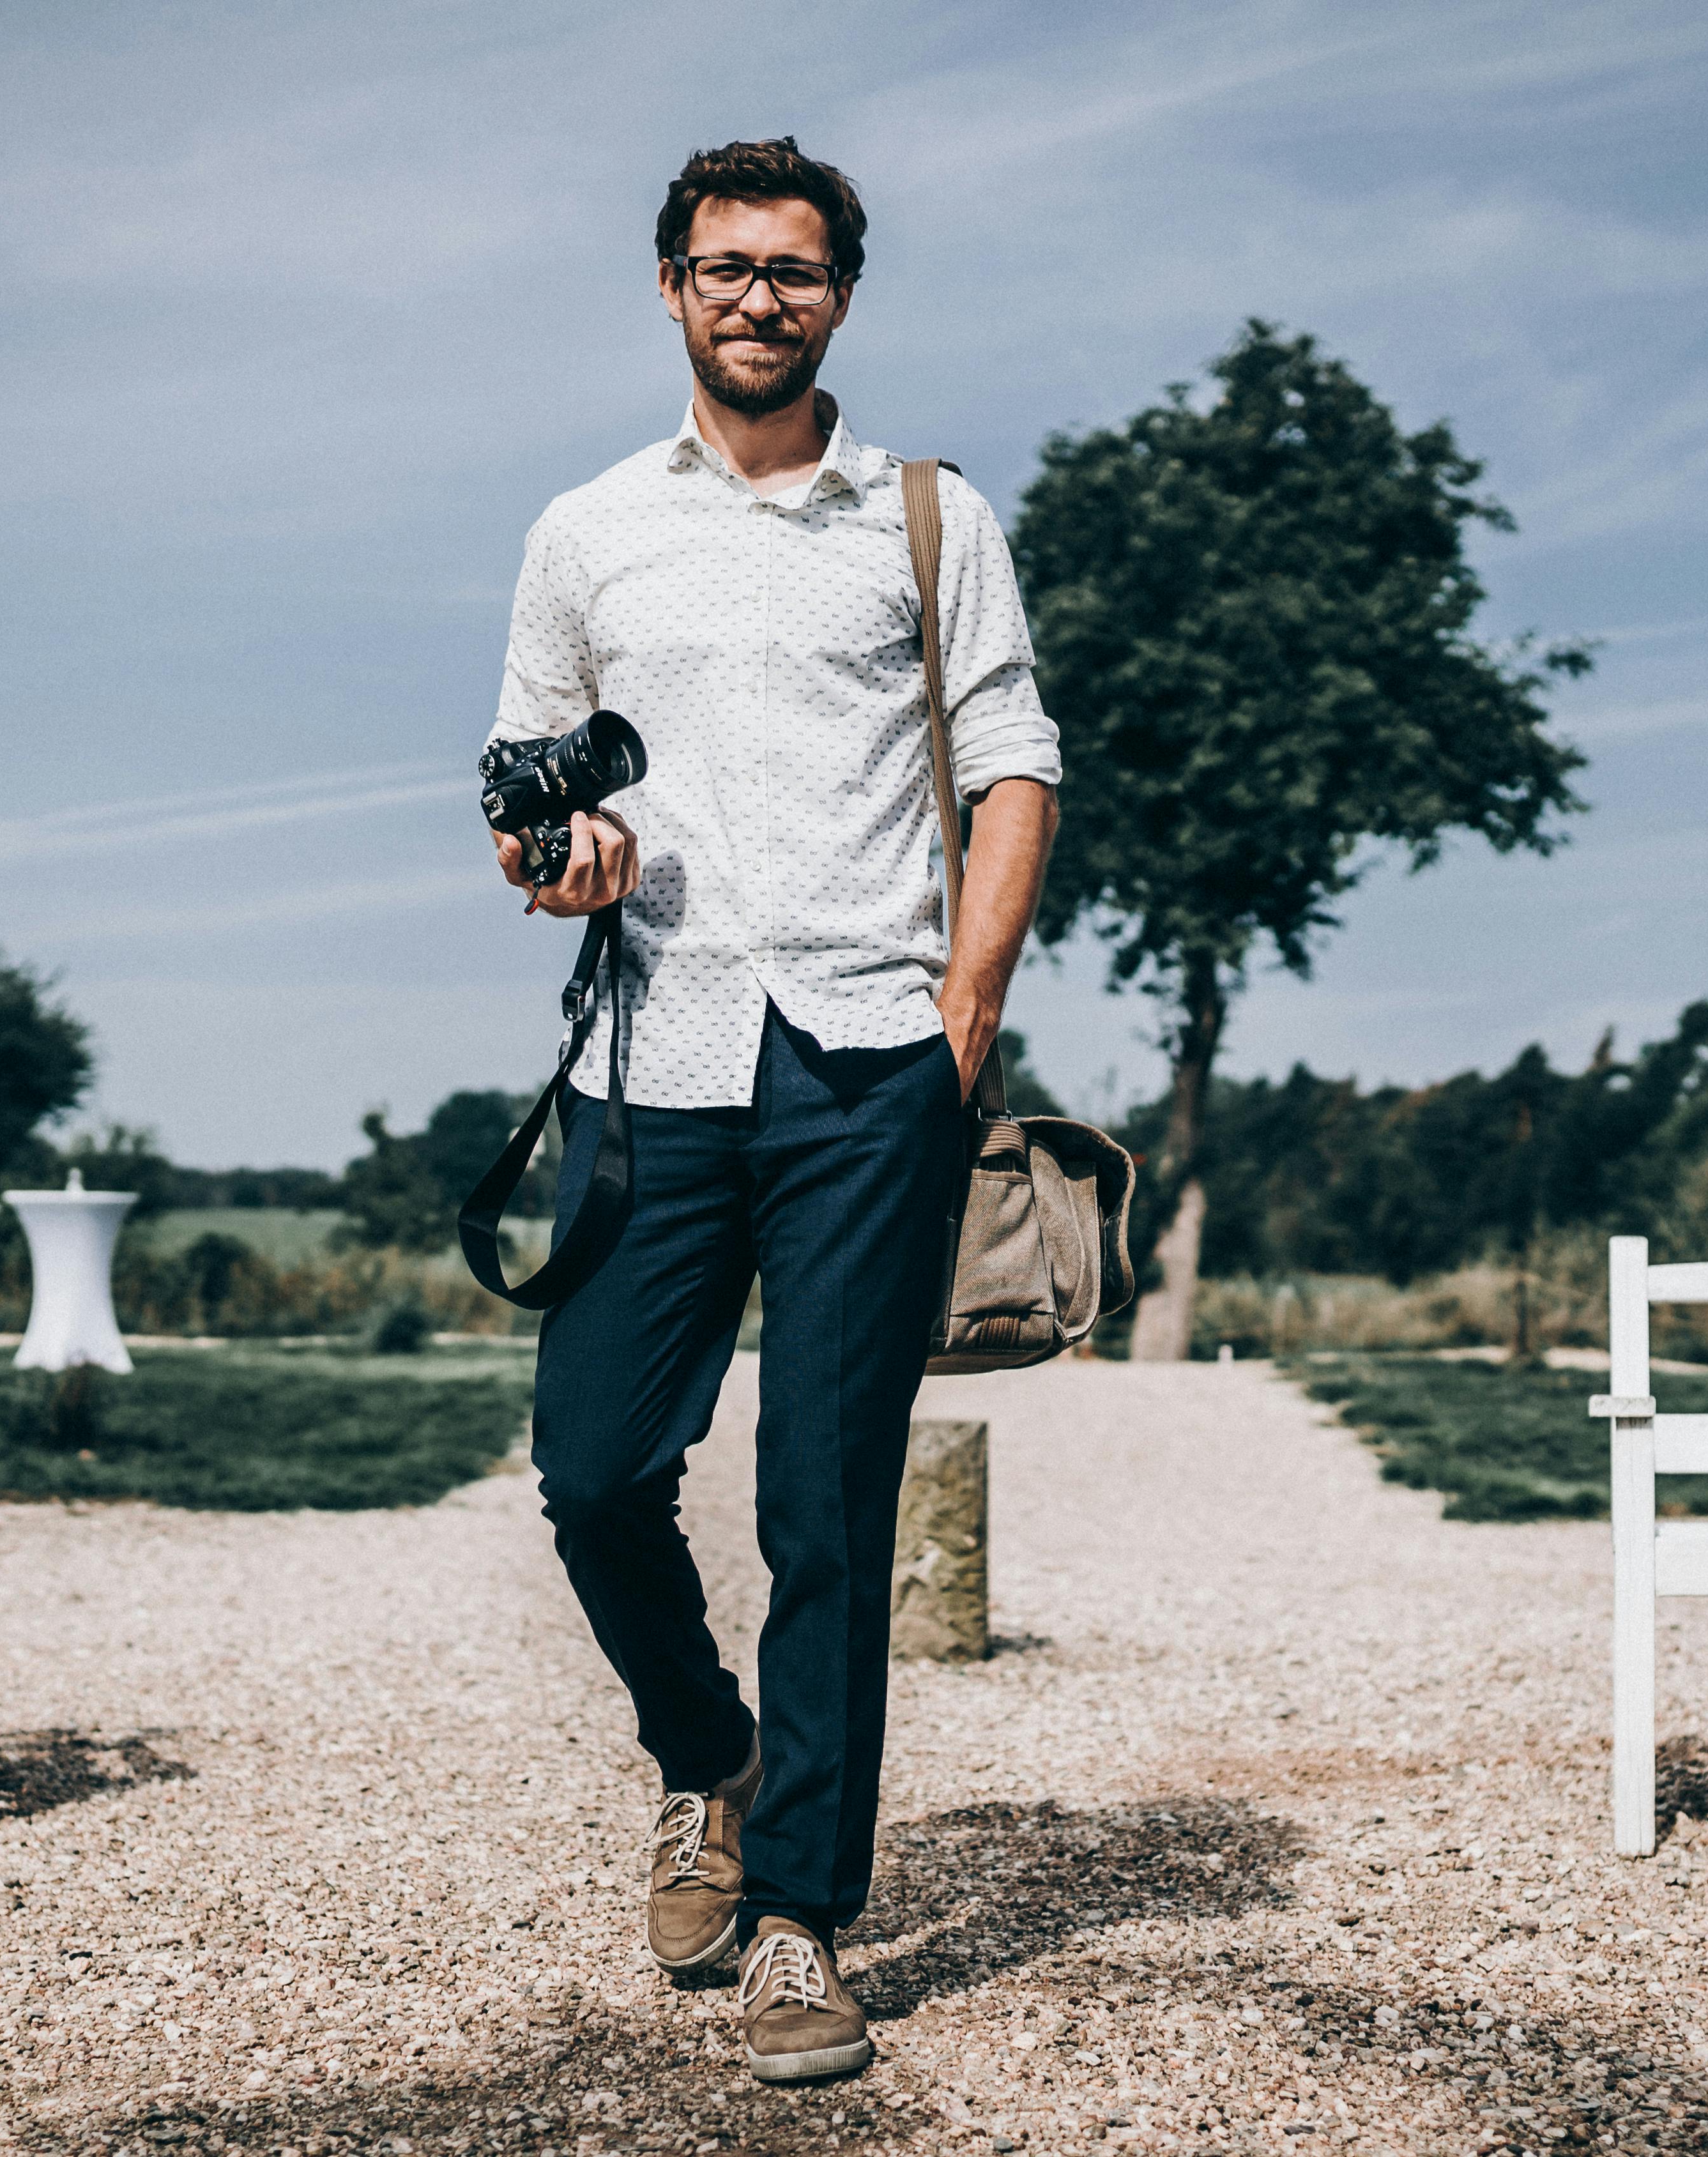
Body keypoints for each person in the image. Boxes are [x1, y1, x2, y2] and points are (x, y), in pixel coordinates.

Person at [484, 137, 1060, 2084]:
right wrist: (554, 857)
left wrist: (962, 1010)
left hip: (862, 1063)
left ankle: (803, 1914)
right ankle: (705, 1758)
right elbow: (525, 789)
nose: (757, 298)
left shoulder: (923, 519)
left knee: (826, 1506)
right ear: (668, 287)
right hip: (651, 1062)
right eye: (724, 267)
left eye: (793, 272)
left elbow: (1012, 766)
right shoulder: (582, 531)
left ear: (839, 298)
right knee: (587, 1472)